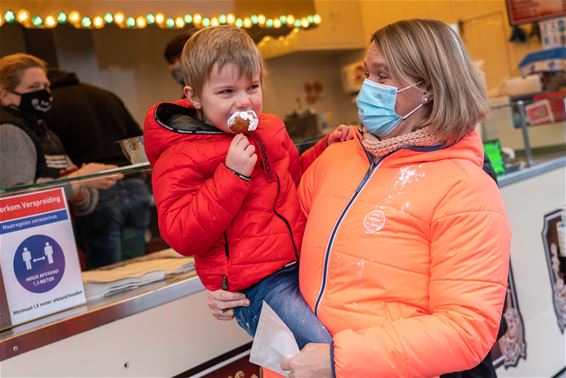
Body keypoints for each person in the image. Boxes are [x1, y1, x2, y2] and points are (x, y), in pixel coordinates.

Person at [207, 19, 511, 377]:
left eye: (383, 76)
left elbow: (467, 329)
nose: (368, 88)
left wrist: (339, 361)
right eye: (368, 74)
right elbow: (276, 240)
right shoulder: (335, 159)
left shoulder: (465, 187)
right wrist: (235, 284)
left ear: (428, 87)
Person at [144, 26, 354, 349]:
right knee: (323, 352)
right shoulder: (178, 155)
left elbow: (293, 176)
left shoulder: (271, 128)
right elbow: (181, 233)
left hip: (305, 263)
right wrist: (232, 176)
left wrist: (327, 146)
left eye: (252, 87)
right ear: (194, 96)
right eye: (227, 92)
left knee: (350, 340)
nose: (244, 101)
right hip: (258, 288)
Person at [45, 68, 152, 269]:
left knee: (107, 275)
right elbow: (139, 138)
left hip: (97, 191)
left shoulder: (51, 104)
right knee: (140, 270)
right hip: (135, 186)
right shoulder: (107, 96)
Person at [0, 53, 120, 216]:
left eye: (46, 86)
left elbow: (84, 205)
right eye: (33, 87)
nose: (43, 93)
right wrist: (79, 179)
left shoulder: (46, 132)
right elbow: (15, 201)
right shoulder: (9, 131)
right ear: (5, 96)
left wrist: (78, 189)